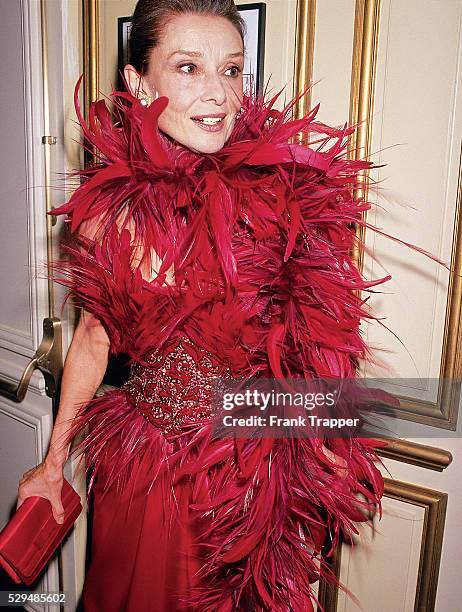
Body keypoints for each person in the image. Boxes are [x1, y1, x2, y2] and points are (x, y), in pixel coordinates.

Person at [14, 1, 443, 610]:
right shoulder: (100, 218)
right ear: (138, 83)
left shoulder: (282, 202)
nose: (218, 93)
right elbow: (92, 338)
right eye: (188, 68)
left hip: (247, 482)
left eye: (233, 69)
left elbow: (317, 344)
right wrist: (54, 463)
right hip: (143, 479)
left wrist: (327, 446)